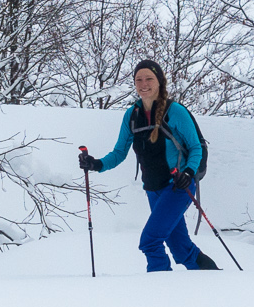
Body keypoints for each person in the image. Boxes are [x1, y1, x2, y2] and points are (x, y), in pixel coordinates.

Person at [78, 59, 219, 272]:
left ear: (160, 81)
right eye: (138, 79)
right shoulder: (132, 115)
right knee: (181, 248)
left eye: (149, 79)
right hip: (153, 190)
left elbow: (195, 148)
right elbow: (118, 153)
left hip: (178, 186)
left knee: (150, 241)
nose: (143, 84)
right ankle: (214, 281)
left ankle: (159, 290)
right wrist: (96, 164)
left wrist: (188, 173)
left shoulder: (176, 111)